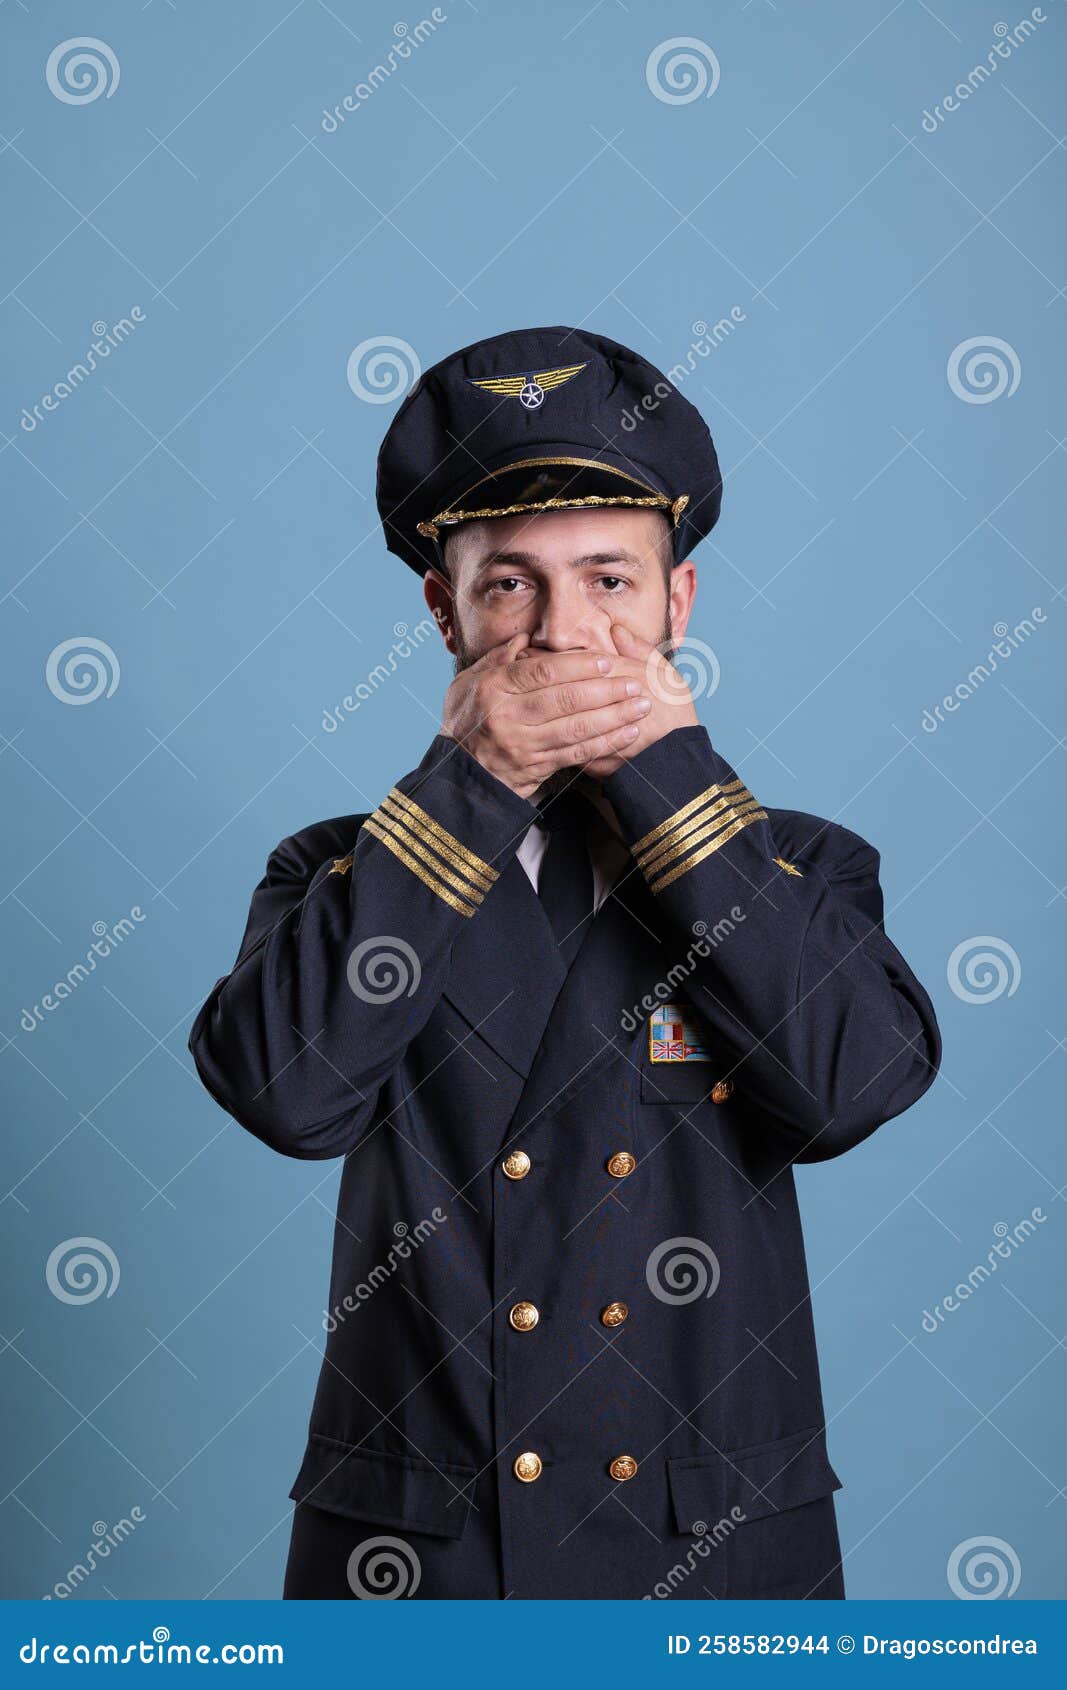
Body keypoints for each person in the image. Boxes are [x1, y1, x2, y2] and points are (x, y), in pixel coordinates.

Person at [189, 326, 941, 1600]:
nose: (563, 633)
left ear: (675, 606)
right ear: (444, 613)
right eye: (508, 587)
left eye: (607, 579)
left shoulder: (799, 868)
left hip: (706, 1555)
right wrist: (469, 785)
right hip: (418, 1564)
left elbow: (851, 1087)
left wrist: (669, 781)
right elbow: (285, 1095)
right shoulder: (339, 870)